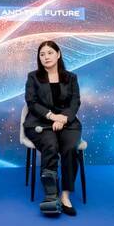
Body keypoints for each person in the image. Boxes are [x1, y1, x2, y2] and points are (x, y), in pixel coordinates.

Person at [24, 41, 82, 216]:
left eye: (50, 53)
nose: (46, 57)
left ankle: (65, 195)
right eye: (42, 54)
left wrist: (63, 118)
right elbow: (32, 102)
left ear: (58, 54)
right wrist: (51, 116)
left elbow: (75, 102)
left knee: (70, 148)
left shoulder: (71, 77)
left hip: (67, 122)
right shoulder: (33, 77)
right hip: (40, 122)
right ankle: (51, 195)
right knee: (50, 145)